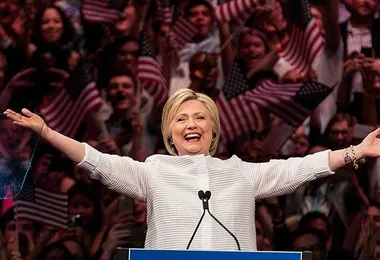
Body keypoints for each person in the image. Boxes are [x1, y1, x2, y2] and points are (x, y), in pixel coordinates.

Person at [4, 88, 380, 251]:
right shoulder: (153, 170)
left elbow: (301, 167)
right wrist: (47, 132)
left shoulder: (241, 173)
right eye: (181, 118)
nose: (191, 124)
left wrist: (355, 151)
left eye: (200, 117)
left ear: (213, 129)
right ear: (169, 130)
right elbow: (98, 162)